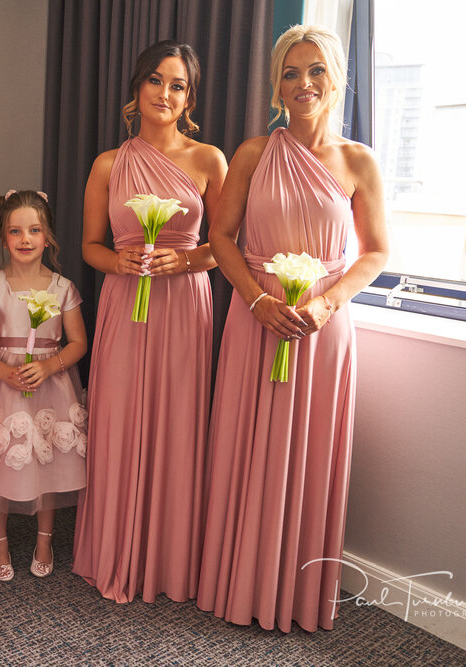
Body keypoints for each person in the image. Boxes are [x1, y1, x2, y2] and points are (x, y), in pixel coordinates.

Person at [196, 24, 389, 632]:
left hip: (320, 327)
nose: (303, 84)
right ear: (276, 85)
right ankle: (237, 582)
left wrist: (328, 306)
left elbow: (376, 253)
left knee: (307, 456)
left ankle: (296, 593)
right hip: (256, 320)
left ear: (336, 78)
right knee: (246, 447)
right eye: (289, 73)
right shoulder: (253, 153)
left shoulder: (360, 161)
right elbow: (221, 239)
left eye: (315, 71)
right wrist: (254, 301)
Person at [72, 40, 228, 603]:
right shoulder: (109, 165)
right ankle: (114, 549)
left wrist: (185, 258)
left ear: (189, 97)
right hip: (124, 301)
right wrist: (122, 261)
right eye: (157, 81)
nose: (166, 93)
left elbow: (226, 247)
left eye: (178, 85)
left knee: (177, 421)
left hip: (185, 304)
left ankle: (166, 558)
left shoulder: (209, 160)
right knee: (118, 417)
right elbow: (90, 246)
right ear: (137, 87)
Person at [0, 190, 88, 581]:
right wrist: (4, 372)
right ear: (3, 237)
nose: (24, 239)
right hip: (4, 385)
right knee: (3, 460)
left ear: (48, 237)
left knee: (46, 458)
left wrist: (50, 366)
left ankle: (45, 536)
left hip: (50, 385)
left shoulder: (62, 287)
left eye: (34, 230)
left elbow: (78, 343)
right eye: (15, 231)